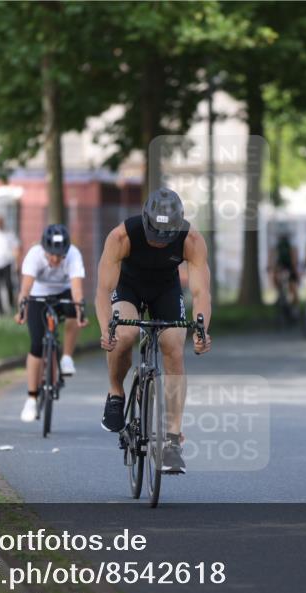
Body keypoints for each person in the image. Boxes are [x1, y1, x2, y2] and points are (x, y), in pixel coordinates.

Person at [95, 188, 212, 474]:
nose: (159, 243)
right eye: (154, 234)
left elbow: (201, 293)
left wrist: (201, 330)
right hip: (129, 288)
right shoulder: (121, 236)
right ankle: (115, 393)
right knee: (124, 335)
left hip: (166, 290)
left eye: (166, 237)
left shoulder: (192, 240)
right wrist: (105, 328)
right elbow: (102, 290)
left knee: (173, 347)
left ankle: (172, 441)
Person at [16, 224, 87, 422]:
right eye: (51, 255)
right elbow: (26, 288)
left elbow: (77, 289)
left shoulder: (73, 255)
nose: (55, 259)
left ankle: (66, 358)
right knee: (37, 345)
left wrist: (80, 311)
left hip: (64, 292)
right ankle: (31, 399)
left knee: (74, 308)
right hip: (39, 294)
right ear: (43, 250)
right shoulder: (34, 255)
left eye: (60, 255)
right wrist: (22, 309)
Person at [267, 226, 299, 310]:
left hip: (290, 265)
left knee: (292, 285)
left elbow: (294, 256)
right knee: (274, 276)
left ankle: (295, 306)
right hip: (280, 264)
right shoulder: (277, 244)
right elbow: (271, 254)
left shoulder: (291, 244)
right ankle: (279, 293)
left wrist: (294, 268)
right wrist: (270, 266)